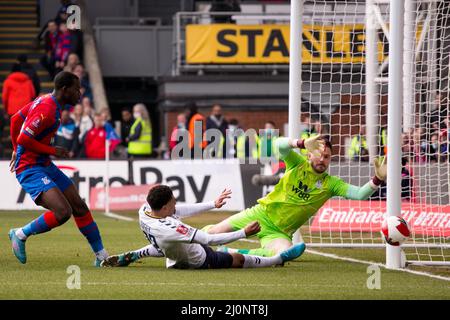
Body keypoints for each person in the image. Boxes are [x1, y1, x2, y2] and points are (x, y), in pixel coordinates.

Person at [199, 135, 387, 257]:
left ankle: (231, 252)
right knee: (212, 233)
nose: (322, 160)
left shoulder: (332, 184)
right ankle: (184, 239)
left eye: (327, 157)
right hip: (260, 214)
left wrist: (377, 179)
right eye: (319, 154)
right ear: (309, 155)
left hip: (278, 231)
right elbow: (278, 145)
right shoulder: (296, 163)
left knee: (285, 252)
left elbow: (360, 194)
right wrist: (301, 143)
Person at [7, 71, 109, 265]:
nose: (80, 94)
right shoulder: (45, 108)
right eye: (76, 89)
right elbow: (23, 138)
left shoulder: (47, 101)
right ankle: (19, 234)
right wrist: (52, 150)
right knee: (63, 212)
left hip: (44, 164)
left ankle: (101, 256)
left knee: (79, 206)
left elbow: (15, 121)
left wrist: (15, 149)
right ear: (65, 89)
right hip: (29, 168)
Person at [100, 185, 306, 269]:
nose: (175, 204)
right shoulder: (170, 226)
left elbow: (179, 211)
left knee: (166, 245)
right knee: (237, 259)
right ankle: (277, 258)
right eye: (172, 202)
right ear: (163, 208)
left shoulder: (145, 210)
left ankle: (136, 254)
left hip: (168, 247)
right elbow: (207, 240)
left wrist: (212, 204)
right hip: (197, 259)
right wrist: (244, 232)